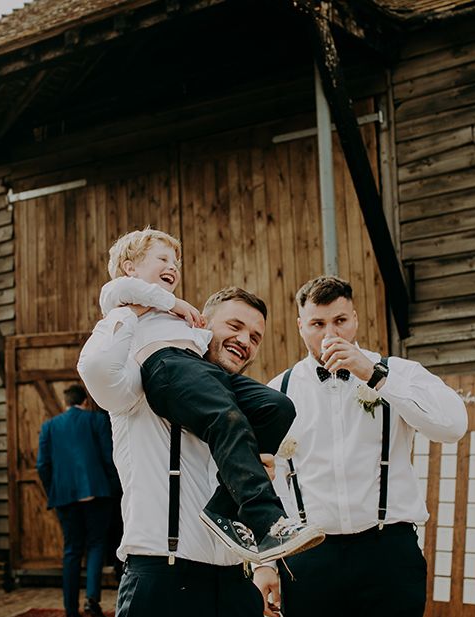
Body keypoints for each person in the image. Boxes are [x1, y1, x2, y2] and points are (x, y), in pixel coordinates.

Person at [254, 275, 468, 617]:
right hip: (309, 561)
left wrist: (376, 376)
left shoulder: (398, 372)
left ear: (355, 319)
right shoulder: (277, 390)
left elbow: (453, 425)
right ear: (301, 325)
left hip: (388, 554)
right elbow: (265, 485)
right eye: (318, 324)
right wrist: (266, 561)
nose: (329, 333)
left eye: (339, 321)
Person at [78, 279, 293, 617]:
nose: (245, 340)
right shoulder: (140, 381)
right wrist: (137, 308)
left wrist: (263, 563)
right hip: (162, 581)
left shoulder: (252, 409)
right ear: (199, 324)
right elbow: (96, 366)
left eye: (255, 337)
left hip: (234, 586)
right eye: (235, 326)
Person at [98, 228, 323, 563]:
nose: (172, 266)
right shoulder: (129, 299)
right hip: (166, 365)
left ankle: (223, 509)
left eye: (175, 261)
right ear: (130, 267)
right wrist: (174, 303)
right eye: (162, 258)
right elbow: (118, 291)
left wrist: (250, 460)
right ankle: (269, 523)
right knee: (226, 417)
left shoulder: (180, 323)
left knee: (276, 407)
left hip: (201, 371)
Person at [36, 384, 118, 617]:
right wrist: (113, 489)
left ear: (67, 402)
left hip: (65, 496)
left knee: (71, 550)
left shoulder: (49, 426)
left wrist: (55, 490)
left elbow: (42, 466)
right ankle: (92, 599)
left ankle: (70, 611)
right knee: (95, 545)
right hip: (97, 493)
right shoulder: (96, 421)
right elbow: (109, 457)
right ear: (85, 401)